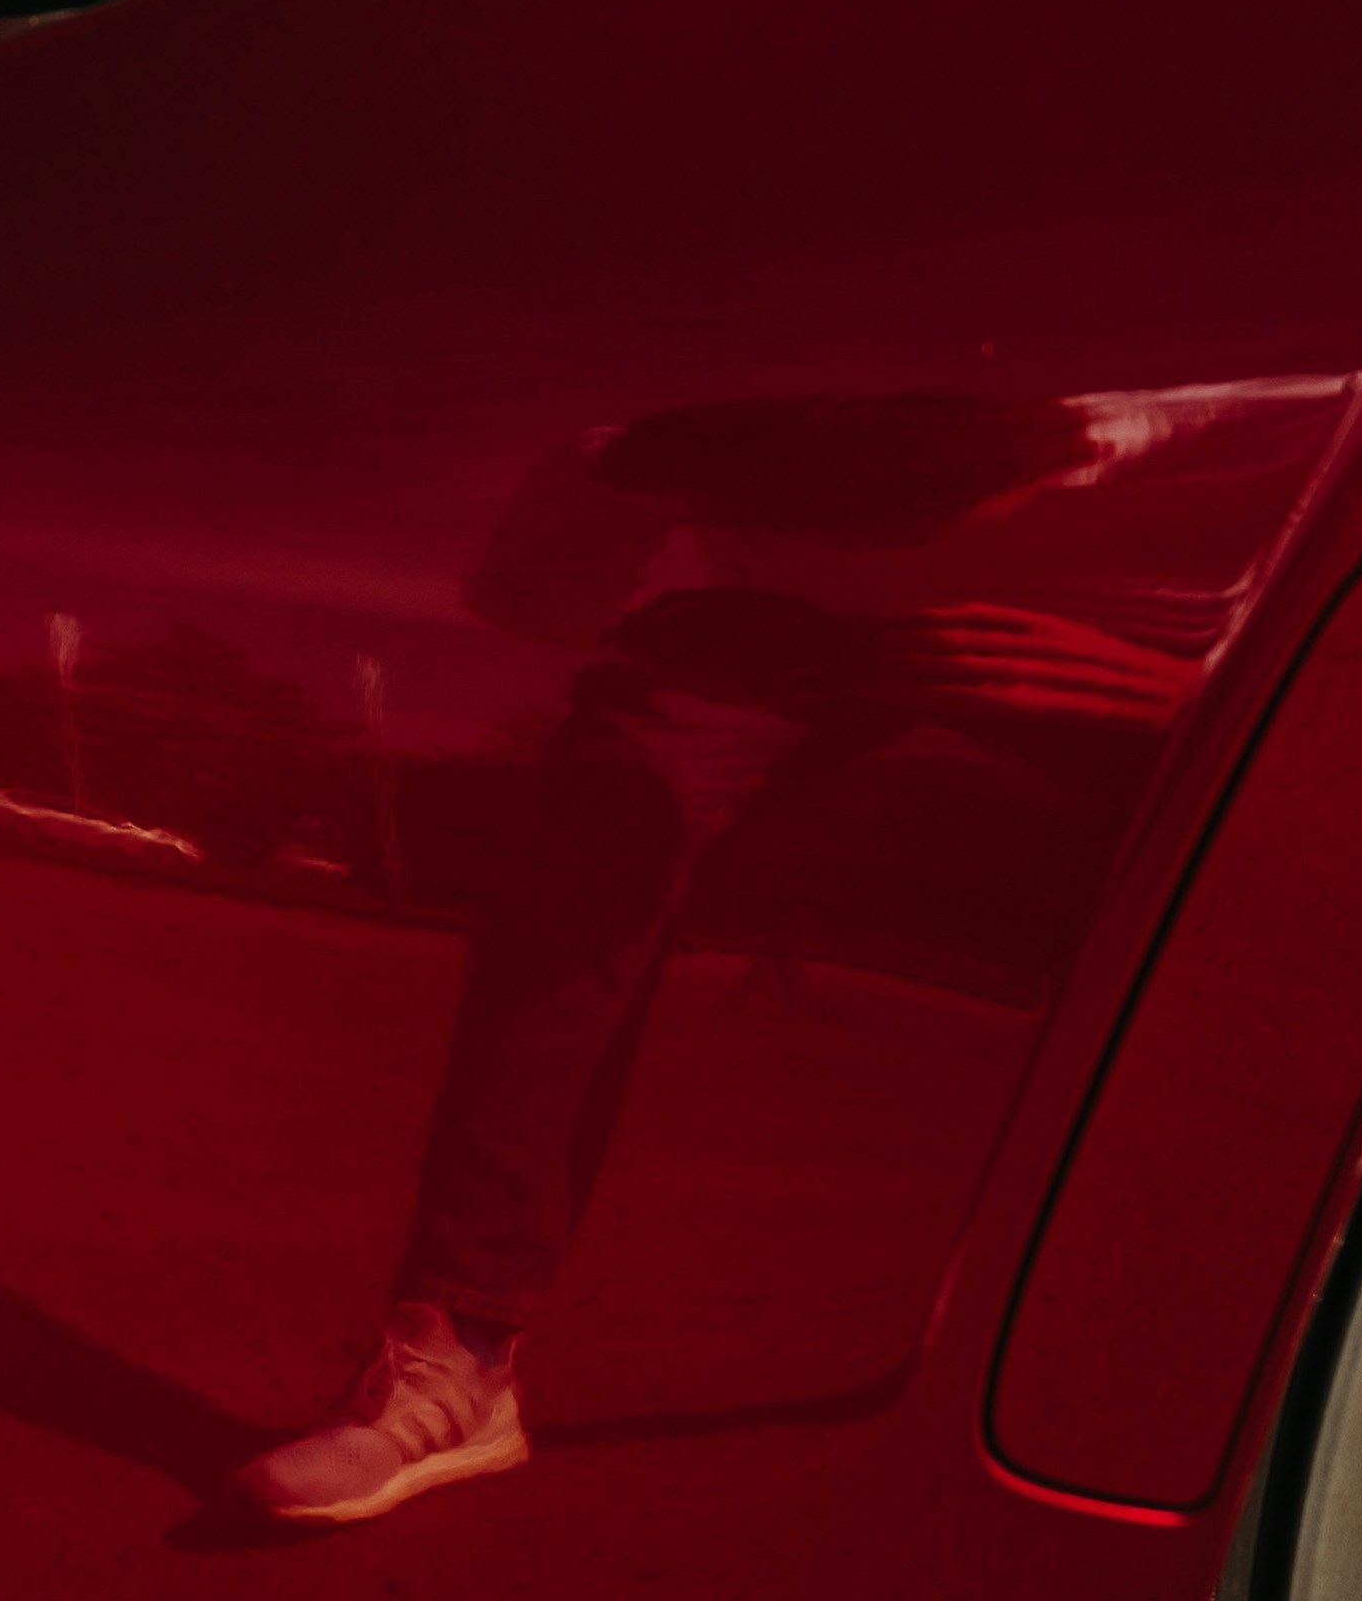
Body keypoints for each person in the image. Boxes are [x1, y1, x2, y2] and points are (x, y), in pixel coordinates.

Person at [235, 386, 1279, 1527]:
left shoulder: (1271, 434)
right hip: (778, 668)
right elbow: (526, 595)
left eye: (896, 539)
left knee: (1257, 868)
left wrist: (1208, 680)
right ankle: (458, 1354)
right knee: (611, 802)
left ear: (1056, 475)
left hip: (1140, 674)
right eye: (797, 534)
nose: (865, 567)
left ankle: (1244, 1322)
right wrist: (665, 627)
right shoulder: (629, 455)